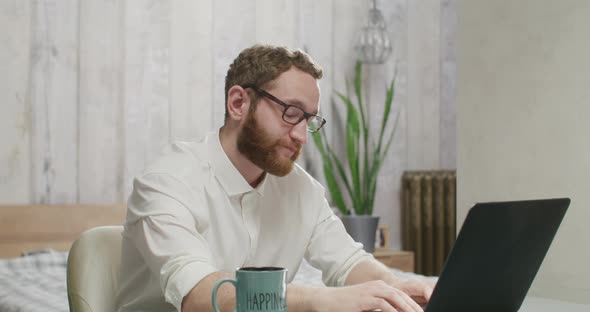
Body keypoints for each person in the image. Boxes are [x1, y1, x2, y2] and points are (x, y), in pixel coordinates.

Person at [116, 44, 434, 312]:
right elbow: (198, 295)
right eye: (290, 112)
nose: (301, 136)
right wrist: (320, 300)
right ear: (238, 103)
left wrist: (394, 287)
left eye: (308, 120)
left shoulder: (302, 190)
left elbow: (347, 261)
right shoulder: (166, 182)